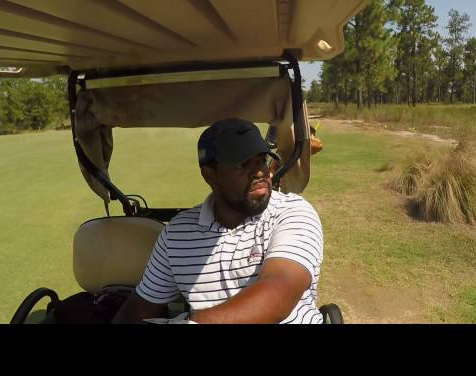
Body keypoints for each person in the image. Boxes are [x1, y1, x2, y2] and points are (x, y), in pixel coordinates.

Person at [113, 117, 324, 324]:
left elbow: (278, 292)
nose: (260, 172)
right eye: (243, 164)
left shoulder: (292, 212)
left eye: (262, 160)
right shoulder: (177, 234)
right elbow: (142, 305)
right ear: (210, 176)